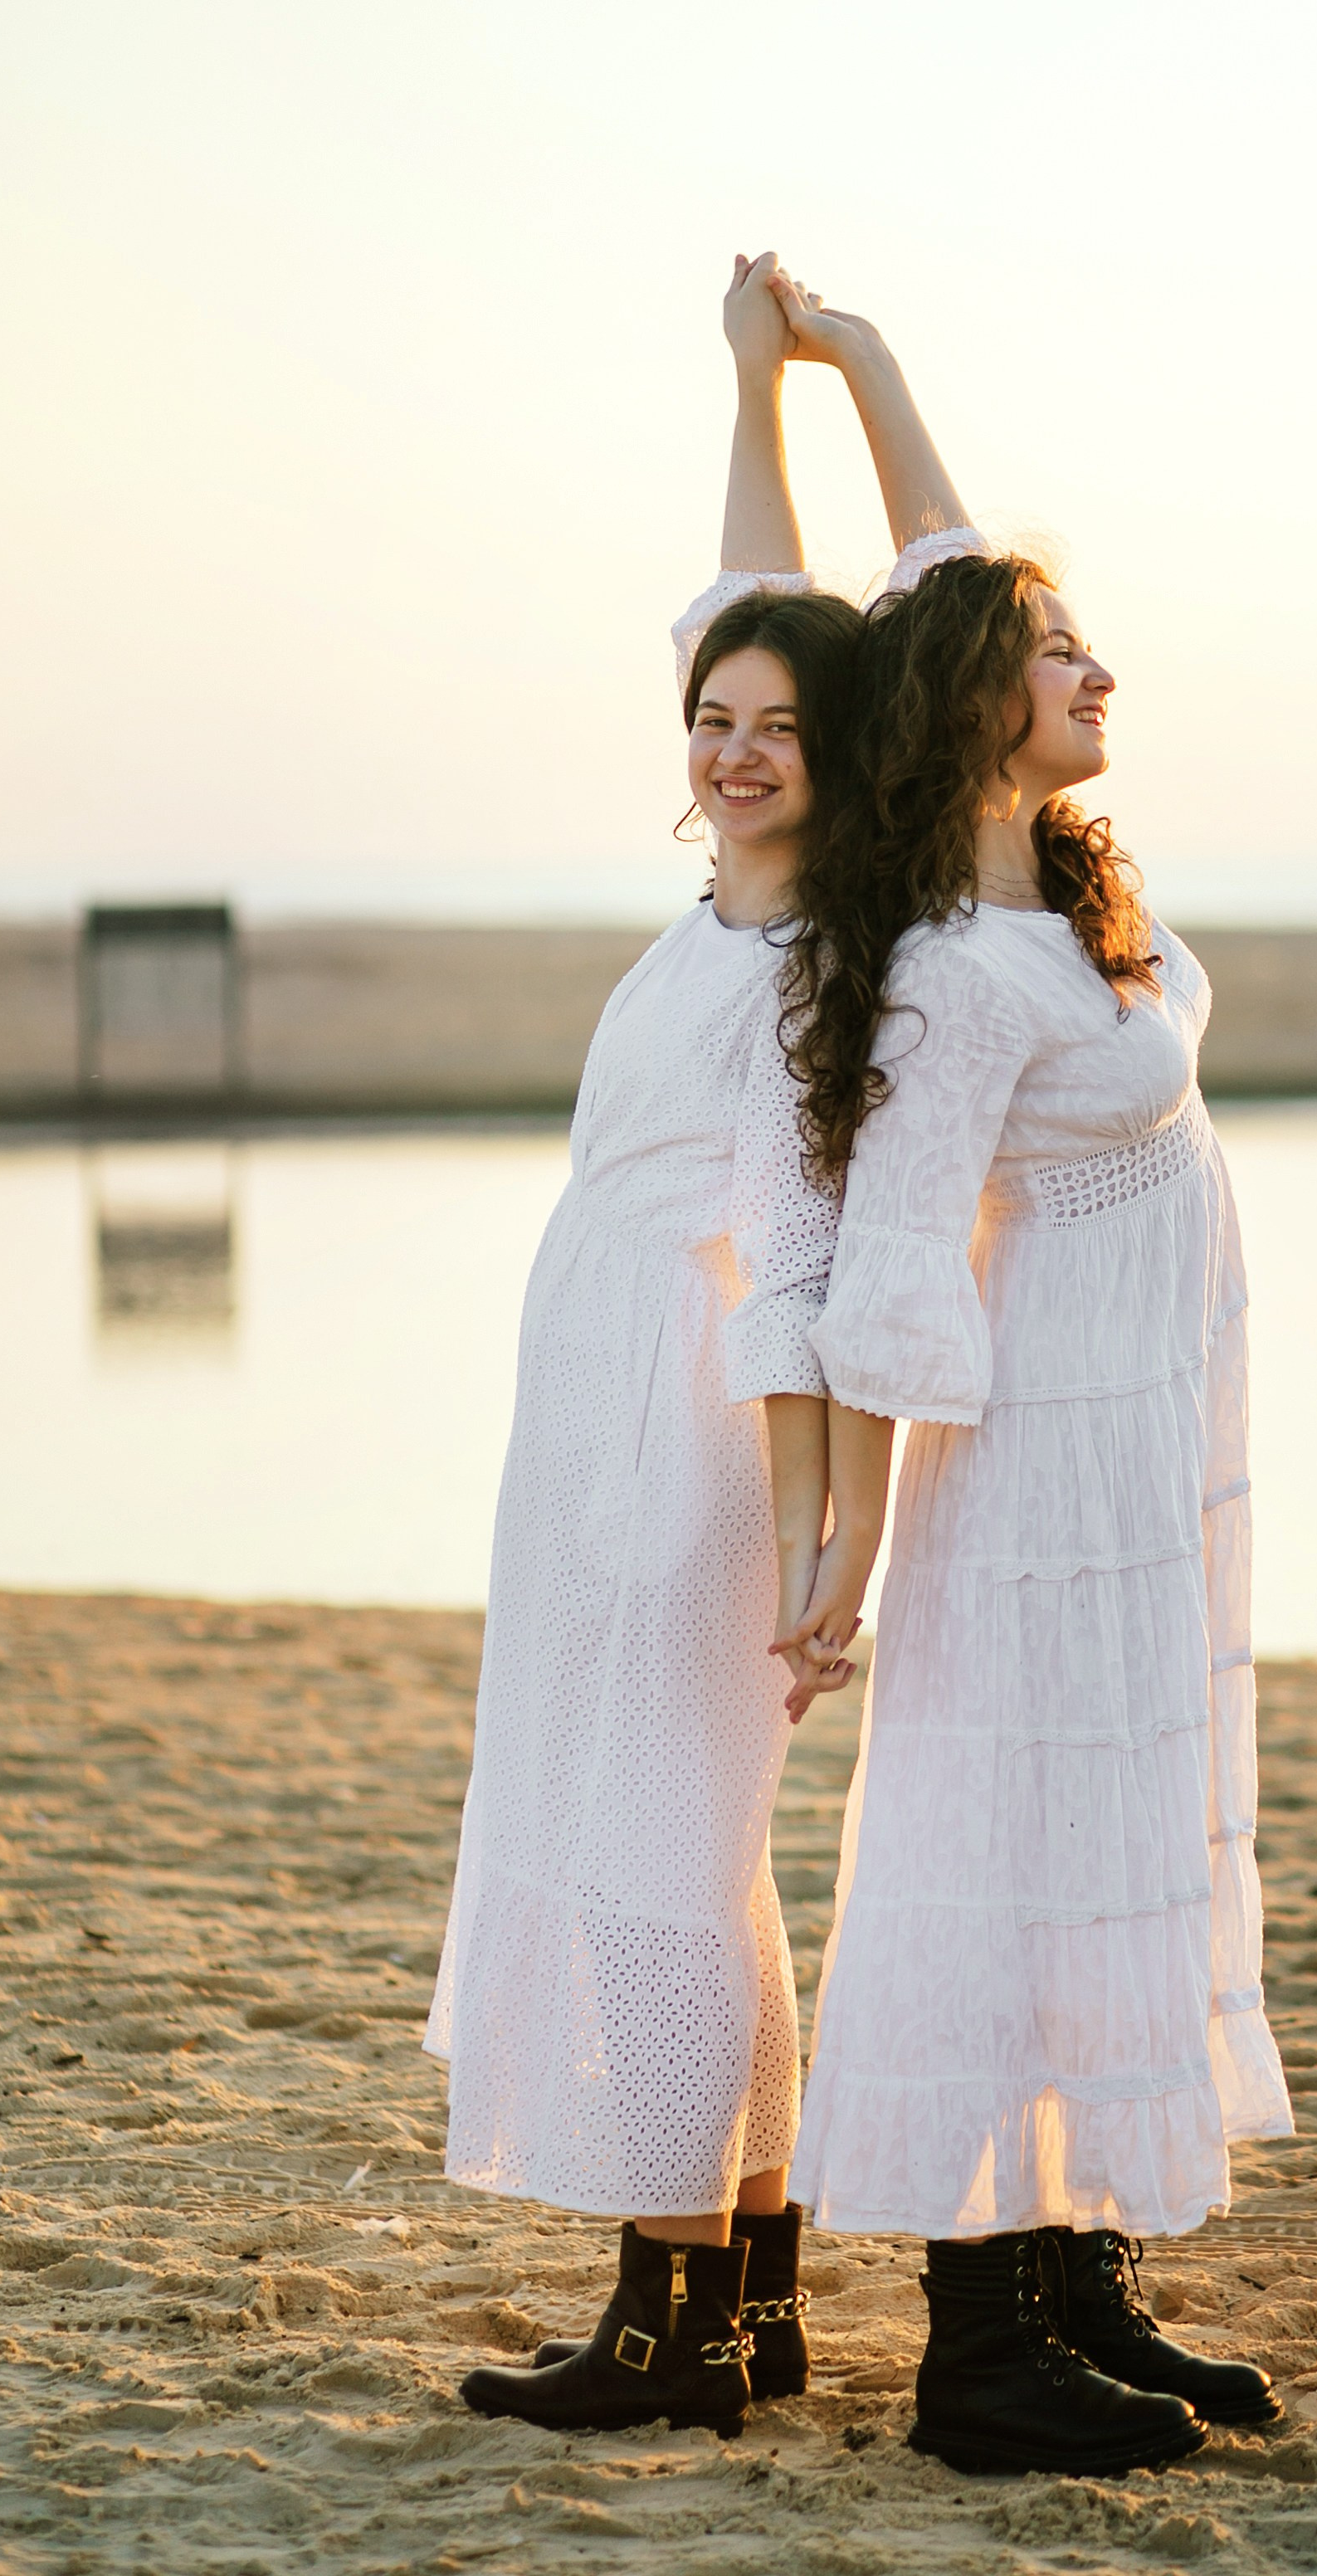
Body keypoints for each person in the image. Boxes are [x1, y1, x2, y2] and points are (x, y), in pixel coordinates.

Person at [768, 274, 1295, 2479]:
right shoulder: (956, 978)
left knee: (1114, 1843)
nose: (1099, 670)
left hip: (1135, 1459)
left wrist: (857, 361)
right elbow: (885, 1283)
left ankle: (1080, 2278)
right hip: (1019, 1492)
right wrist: (854, 1561)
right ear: (984, 710)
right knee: (993, 1855)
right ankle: (977, 2351)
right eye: (1057, 652)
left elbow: (934, 578)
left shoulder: (1059, 886)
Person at [428, 256, 865, 2443]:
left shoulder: (806, 973)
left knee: (644, 1862)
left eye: (773, 730)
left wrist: (812, 1553)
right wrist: (748, 376)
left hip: (679, 1444)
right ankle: (754, 2284)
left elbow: (796, 1267)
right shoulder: (719, 915)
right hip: (603, 1416)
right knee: (690, 1858)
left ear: (836, 765)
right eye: (713, 716)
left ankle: (666, 2318)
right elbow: (746, 587)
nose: (727, 744)